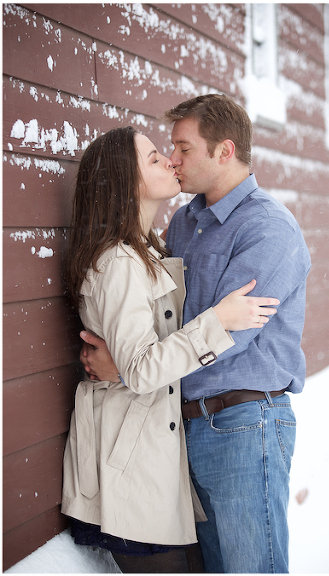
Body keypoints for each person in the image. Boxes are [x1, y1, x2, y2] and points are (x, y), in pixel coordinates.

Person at [80, 94, 312, 573]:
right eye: (168, 150)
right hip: (184, 425)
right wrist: (129, 363)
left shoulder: (268, 230)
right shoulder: (185, 222)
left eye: (183, 149)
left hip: (245, 424)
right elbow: (159, 324)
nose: (174, 159)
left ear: (224, 152)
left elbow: (232, 338)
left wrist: (126, 368)